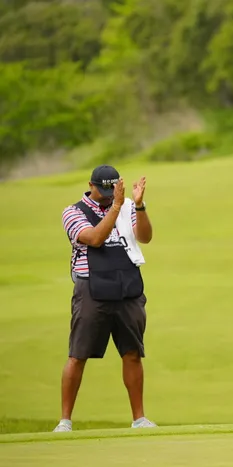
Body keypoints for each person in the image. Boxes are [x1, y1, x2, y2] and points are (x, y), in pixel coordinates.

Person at [54, 165, 156, 432]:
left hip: (127, 286)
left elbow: (145, 237)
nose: (109, 196)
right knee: (78, 354)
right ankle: (65, 421)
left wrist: (139, 205)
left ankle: (139, 419)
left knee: (132, 353)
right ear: (91, 185)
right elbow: (95, 238)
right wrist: (117, 206)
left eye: (113, 191)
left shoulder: (126, 205)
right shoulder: (73, 212)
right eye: (104, 190)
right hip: (91, 289)